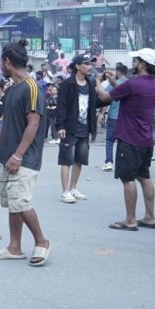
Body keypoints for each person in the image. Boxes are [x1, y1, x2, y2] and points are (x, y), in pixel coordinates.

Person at [0, 39, 51, 267]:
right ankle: (14, 246)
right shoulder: (11, 89)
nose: (0, 66)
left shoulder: (32, 88)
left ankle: (42, 241)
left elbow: (33, 124)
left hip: (25, 157)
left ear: (7, 62)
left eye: (1, 62)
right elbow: (6, 123)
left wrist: (18, 155)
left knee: (21, 202)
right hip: (7, 155)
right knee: (13, 202)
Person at [95, 49, 155, 231]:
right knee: (144, 176)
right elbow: (130, 95)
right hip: (146, 138)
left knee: (128, 178)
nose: (133, 63)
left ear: (142, 64)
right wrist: (114, 83)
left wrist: (98, 83)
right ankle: (150, 216)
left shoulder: (133, 84)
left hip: (129, 137)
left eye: (136, 60)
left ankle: (130, 219)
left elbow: (105, 97)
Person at [55, 55, 99, 203]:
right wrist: (60, 126)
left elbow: (94, 105)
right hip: (69, 127)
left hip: (84, 128)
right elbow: (61, 106)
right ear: (77, 66)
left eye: (90, 64)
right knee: (66, 159)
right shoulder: (68, 84)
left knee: (79, 160)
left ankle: (73, 188)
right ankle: (65, 191)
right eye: (86, 64)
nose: (90, 67)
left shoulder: (90, 84)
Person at [100, 63, 128, 172]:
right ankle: (123, 162)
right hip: (126, 118)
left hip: (113, 116)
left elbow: (105, 98)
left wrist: (102, 113)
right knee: (123, 140)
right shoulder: (130, 83)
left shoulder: (113, 84)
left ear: (118, 72)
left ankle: (108, 162)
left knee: (109, 140)